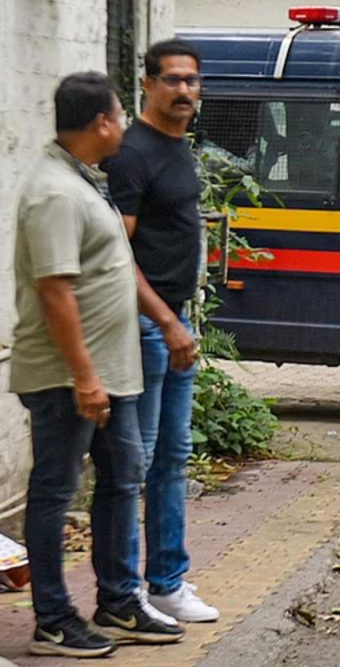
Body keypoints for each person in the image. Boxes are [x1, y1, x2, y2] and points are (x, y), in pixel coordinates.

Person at [12, 72, 184, 658]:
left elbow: (109, 269)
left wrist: (162, 324)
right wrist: (84, 375)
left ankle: (117, 600)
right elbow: (56, 291)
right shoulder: (55, 193)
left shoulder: (83, 181)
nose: (126, 125)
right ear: (102, 123)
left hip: (112, 372)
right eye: (120, 114)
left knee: (123, 477)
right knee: (56, 491)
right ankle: (53, 621)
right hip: (69, 377)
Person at [102, 39, 219, 624]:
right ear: (148, 84)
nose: (183, 91)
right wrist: (166, 321)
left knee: (173, 457)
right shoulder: (131, 153)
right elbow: (117, 254)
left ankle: (168, 583)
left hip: (177, 321)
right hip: (145, 328)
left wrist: (183, 318)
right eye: (172, 80)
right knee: (136, 462)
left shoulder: (179, 149)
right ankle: (125, 597)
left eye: (191, 81)